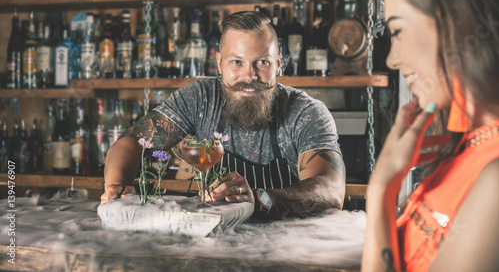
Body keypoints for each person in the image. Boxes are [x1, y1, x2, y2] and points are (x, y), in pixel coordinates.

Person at [101, 11, 346, 219]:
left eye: (262, 62)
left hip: (288, 246)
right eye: (236, 62)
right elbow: (130, 143)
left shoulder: (306, 112)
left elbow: (331, 192)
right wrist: (117, 189)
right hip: (216, 242)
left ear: (278, 63)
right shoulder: (199, 100)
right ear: (219, 63)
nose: (249, 76)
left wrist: (258, 199)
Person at [361, 0, 499, 271]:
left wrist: (381, 190)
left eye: (397, 31)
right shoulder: (468, 146)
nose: (392, 59)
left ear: (453, 23)